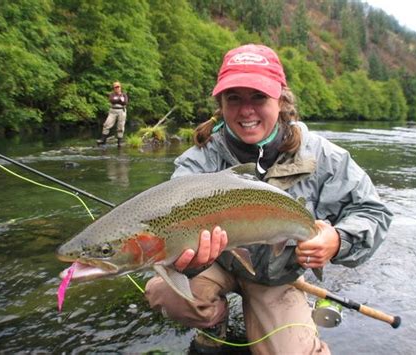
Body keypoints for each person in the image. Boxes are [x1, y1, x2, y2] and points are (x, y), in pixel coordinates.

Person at [145, 44, 393, 354]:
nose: (245, 110)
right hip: (217, 266)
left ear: (281, 100)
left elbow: (373, 212)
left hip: (278, 278)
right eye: (233, 98)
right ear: (220, 104)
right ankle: (213, 325)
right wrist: (187, 257)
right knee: (165, 292)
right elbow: (167, 217)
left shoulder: (322, 157)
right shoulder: (198, 162)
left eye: (258, 97)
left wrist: (337, 240)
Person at [97, 81, 128, 147]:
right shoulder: (112, 94)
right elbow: (112, 100)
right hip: (113, 111)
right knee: (107, 124)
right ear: (113, 88)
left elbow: (125, 102)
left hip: (122, 111)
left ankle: (119, 142)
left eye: (118, 87)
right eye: (115, 87)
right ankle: (103, 140)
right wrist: (119, 100)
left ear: (120, 87)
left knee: (121, 127)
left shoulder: (124, 94)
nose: (117, 88)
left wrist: (118, 100)